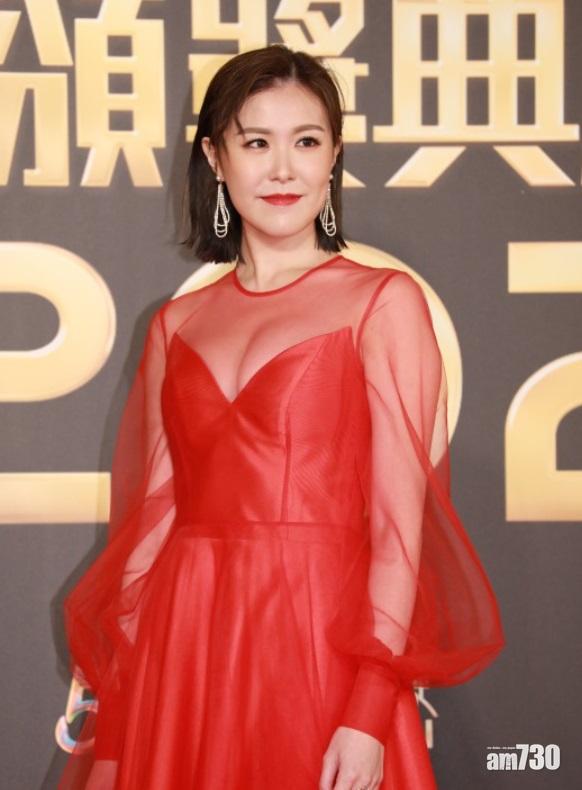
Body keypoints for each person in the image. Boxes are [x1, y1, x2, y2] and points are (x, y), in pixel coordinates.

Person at [58, 44, 505, 789]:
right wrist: (121, 724)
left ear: (333, 157)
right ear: (215, 158)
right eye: (256, 143)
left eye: (307, 141)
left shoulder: (381, 303)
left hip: (318, 642)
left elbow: (400, 533)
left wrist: (369, 709)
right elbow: (150, 533)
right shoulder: (176, 324)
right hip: (186, 646)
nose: (283, 169)